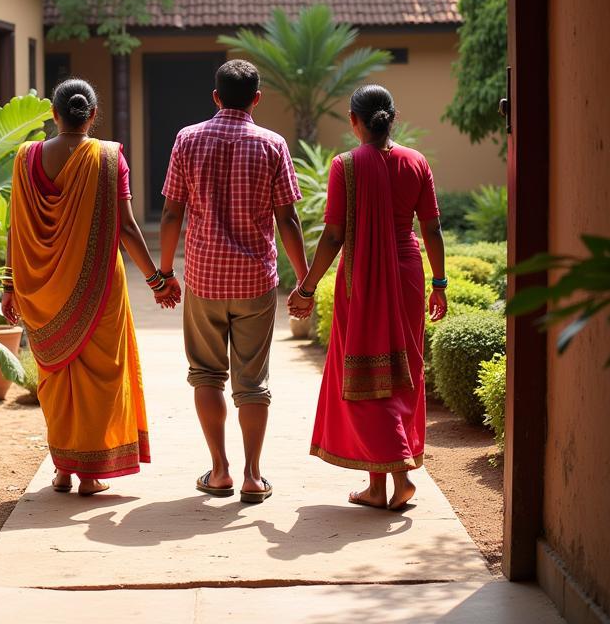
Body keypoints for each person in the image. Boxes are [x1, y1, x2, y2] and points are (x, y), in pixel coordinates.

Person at [2, 79, 180, 496]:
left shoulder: (25, 158)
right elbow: (129, 228)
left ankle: (63, 470)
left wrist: (9, 285)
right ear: (93, 116)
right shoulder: (108, 157)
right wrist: (157, 279)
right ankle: (89, 474)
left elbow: (16, 225)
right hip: (98, 283)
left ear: (53, 113)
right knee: (101, 375)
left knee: (57, 376)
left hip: (40, 289)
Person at [288, 84, 448, 511]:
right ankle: (380, 487)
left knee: (366, 376)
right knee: (399, 369)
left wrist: (306, 286)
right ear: (392, 117)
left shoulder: (346, 167)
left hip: (361, 279)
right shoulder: (416, 162)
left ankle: (394, 476)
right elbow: (431, 229)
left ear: (354, 121)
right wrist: (440, 283)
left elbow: (335, 235)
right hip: (409, 275)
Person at [159, 59, 308, 504]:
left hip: (204, 279)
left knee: (205, 374)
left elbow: (171, 212)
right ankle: (253, 476)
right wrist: (303, 281)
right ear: (257, 99)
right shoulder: (273, 144)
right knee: (253, 383)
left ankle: (220, 471)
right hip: (255, 283)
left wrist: (164, 274)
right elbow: (288, 218)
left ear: (216, 97)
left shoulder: (187, 139)